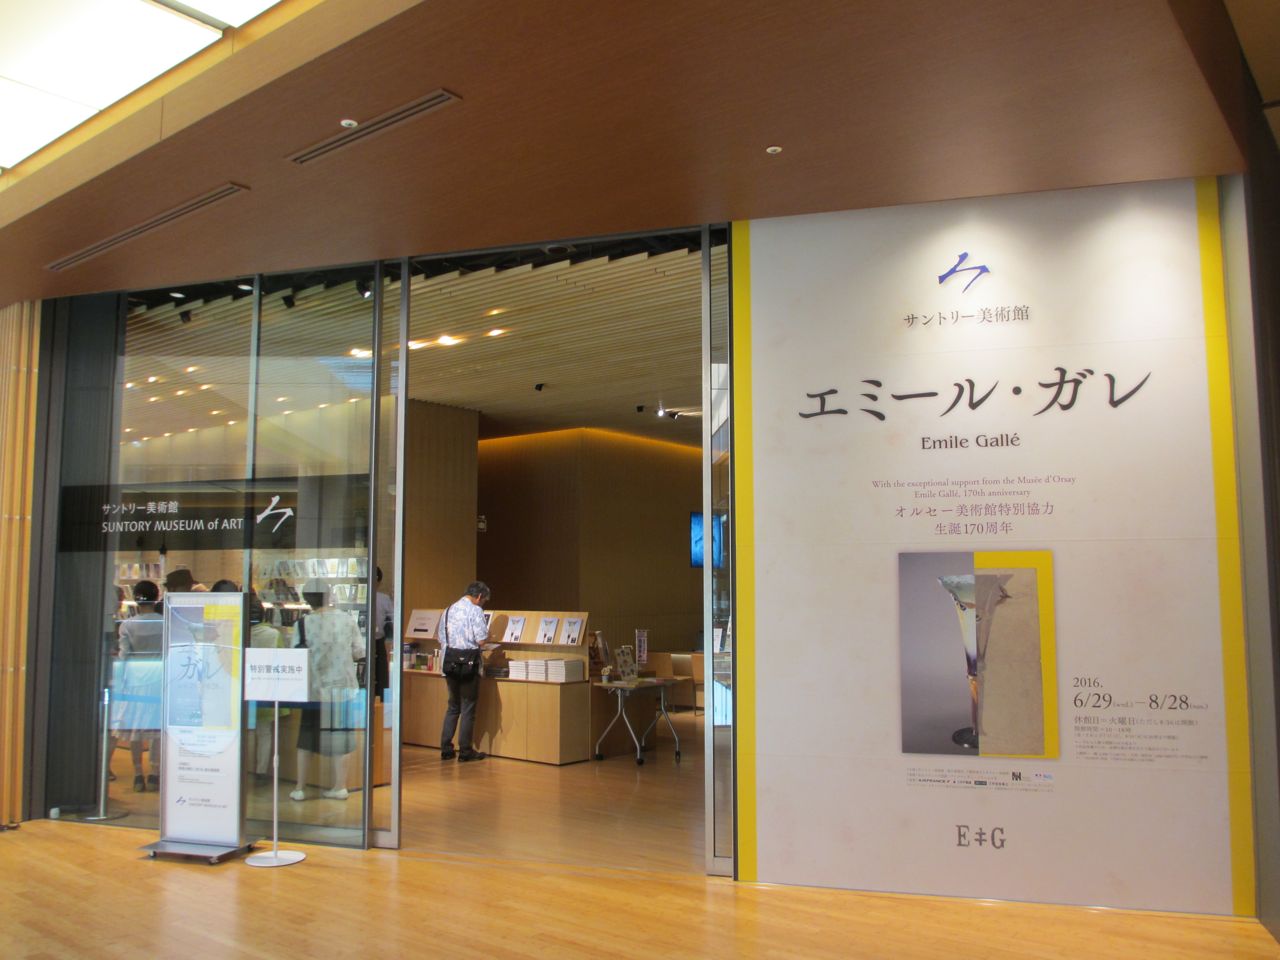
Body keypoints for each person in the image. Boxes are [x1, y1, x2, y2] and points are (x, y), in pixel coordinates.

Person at [291, 581, 362, 801]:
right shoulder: (347, 620)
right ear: (329, 594)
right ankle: (340, 786)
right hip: (341, 688)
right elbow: (359, 651)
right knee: (341, 738)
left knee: (306, 739)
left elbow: (294, 655)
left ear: (307, 599)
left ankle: (300, 787)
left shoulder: (302, 624)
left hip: (313, 690)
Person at [116, 579, 164, 791]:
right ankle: (155, 772)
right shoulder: (165, 623)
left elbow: (124, 656)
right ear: (157, 597)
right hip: (158, 680)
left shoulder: (128, 625)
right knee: (156, 729)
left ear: (136, 599)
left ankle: (138, 774)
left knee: (135, 728)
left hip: (135, 681)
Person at [439, 580, 492, 762]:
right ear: (479, 596)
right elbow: (481, 640)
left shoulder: (448, 610)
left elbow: (441, 637)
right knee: (468, 707)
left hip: (449, 663)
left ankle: (446, 748)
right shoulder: (475, 611)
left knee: (453, 706)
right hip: (469, 664)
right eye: (483, 601)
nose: (482, 604)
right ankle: (465, 751)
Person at [373, 567, 393, 702]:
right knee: (381, 677)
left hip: (374, 641)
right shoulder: (384, 599)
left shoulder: (384, 598)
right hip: (378, 641)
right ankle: (383, 704)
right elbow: (393, 619)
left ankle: (382, 703)